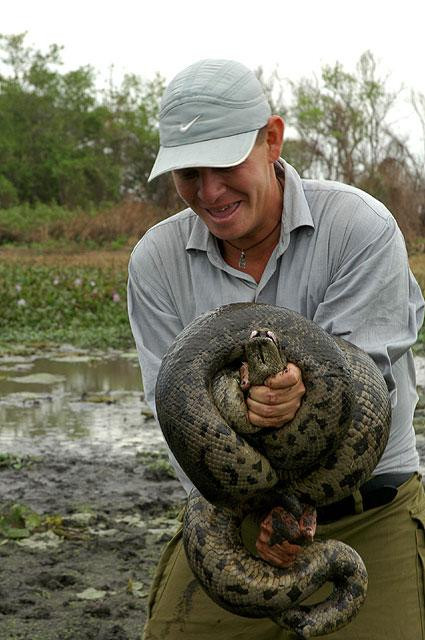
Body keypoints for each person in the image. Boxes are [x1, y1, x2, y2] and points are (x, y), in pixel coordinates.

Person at [127, 58, 425, 640]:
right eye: (189, 173)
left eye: (225, 165)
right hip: (231, 512)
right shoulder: (155, 261)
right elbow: (177, 418)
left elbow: (360, 393)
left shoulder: (360, 226)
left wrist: (293, 403)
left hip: (367, 510)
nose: (209, 192)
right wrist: (259, 507)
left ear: (272, 139)